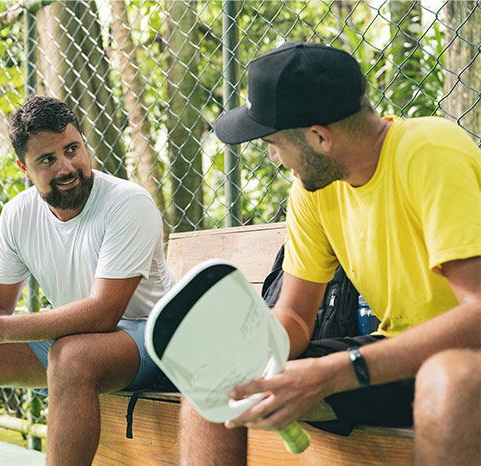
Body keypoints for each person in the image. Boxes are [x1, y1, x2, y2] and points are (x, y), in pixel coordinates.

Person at [181, 42, 481, 465]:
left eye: (274, 142)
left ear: (320, 137)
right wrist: (242, 356)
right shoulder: (313, 189)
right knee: (216, 386)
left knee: (445, 379)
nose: (273, 156)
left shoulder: (431, 151)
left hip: (462, 359)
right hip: (396, 358)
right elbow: (297, 317)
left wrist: (338, 371)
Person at [0, 96, 175, 466]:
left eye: (72, 149)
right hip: (76, 337)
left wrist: (1, 330)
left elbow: (105, 312)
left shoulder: (128, 203)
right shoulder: (17, 215)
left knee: (71, 356)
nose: (67, 166)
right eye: (48, 159)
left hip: (154, 337)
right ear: (24, 167)